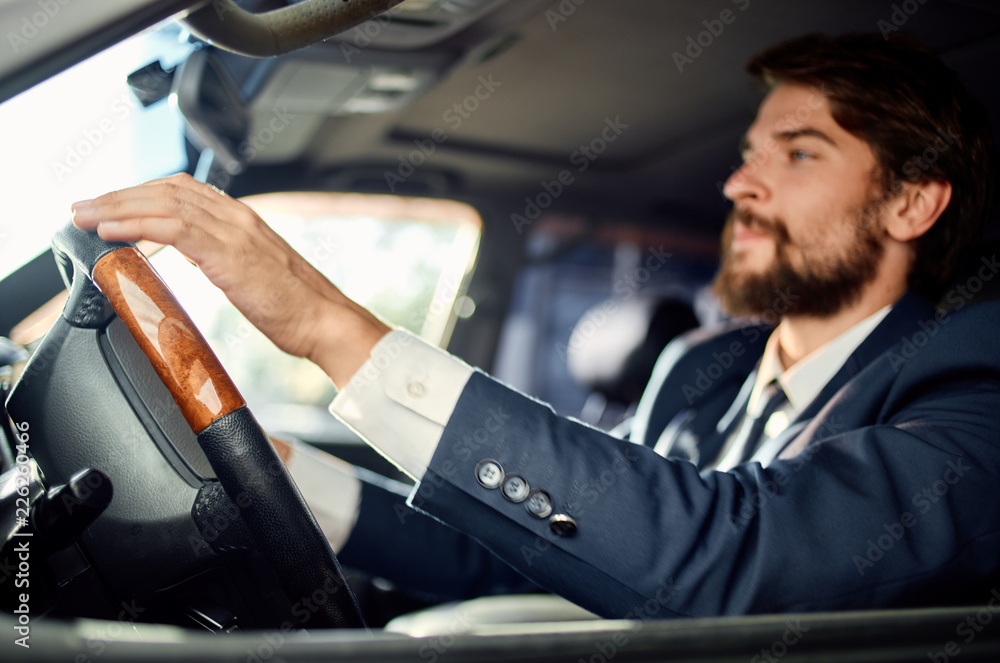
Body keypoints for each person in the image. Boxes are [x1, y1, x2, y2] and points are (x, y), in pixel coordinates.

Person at [70, 32, 1000, 619]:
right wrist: (274, 465)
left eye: (799, 153)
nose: (740, 185)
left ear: (912, 203)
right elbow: (533, 547)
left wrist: (325, 324)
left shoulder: (970, 385)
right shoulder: (699, 369)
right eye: (749, 153)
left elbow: (731, 555)